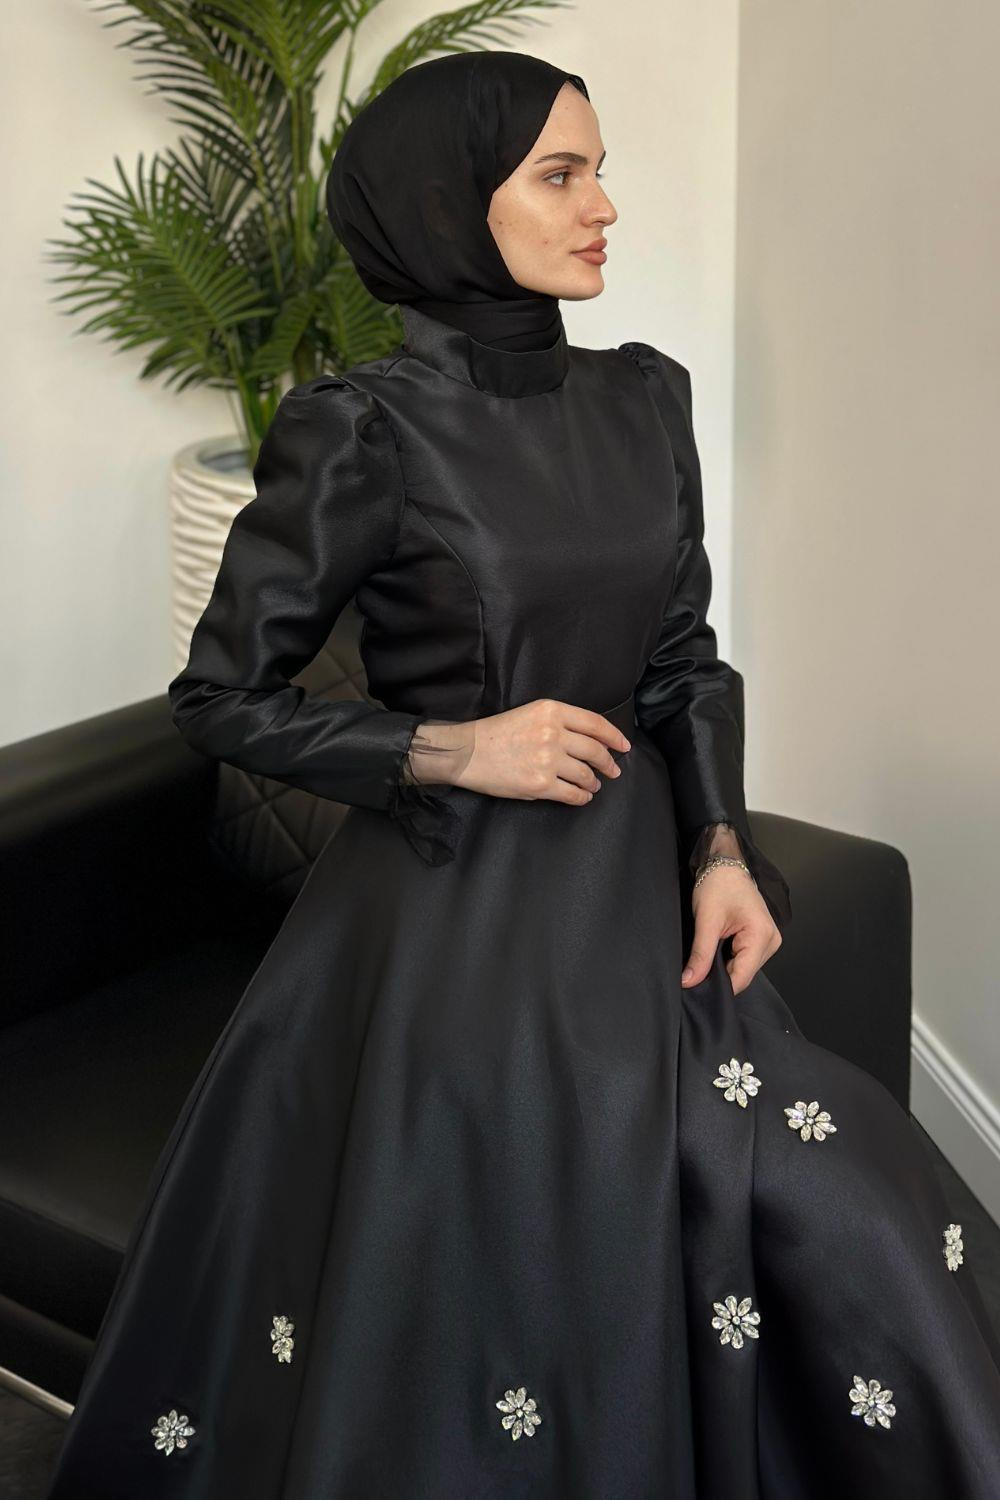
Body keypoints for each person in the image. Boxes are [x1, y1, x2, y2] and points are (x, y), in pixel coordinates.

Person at [46, 50, 1000, 1499]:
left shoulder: (646, 399)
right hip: (452, 921)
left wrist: (722, 847)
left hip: (638, 902)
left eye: (601, 169)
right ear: (449, 206)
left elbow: (682, 662)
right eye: (561, 175)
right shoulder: (362, 428)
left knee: (856, 1189)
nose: (604, 205)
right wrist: (454, 746)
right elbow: (219, 696)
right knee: (548, 1249)